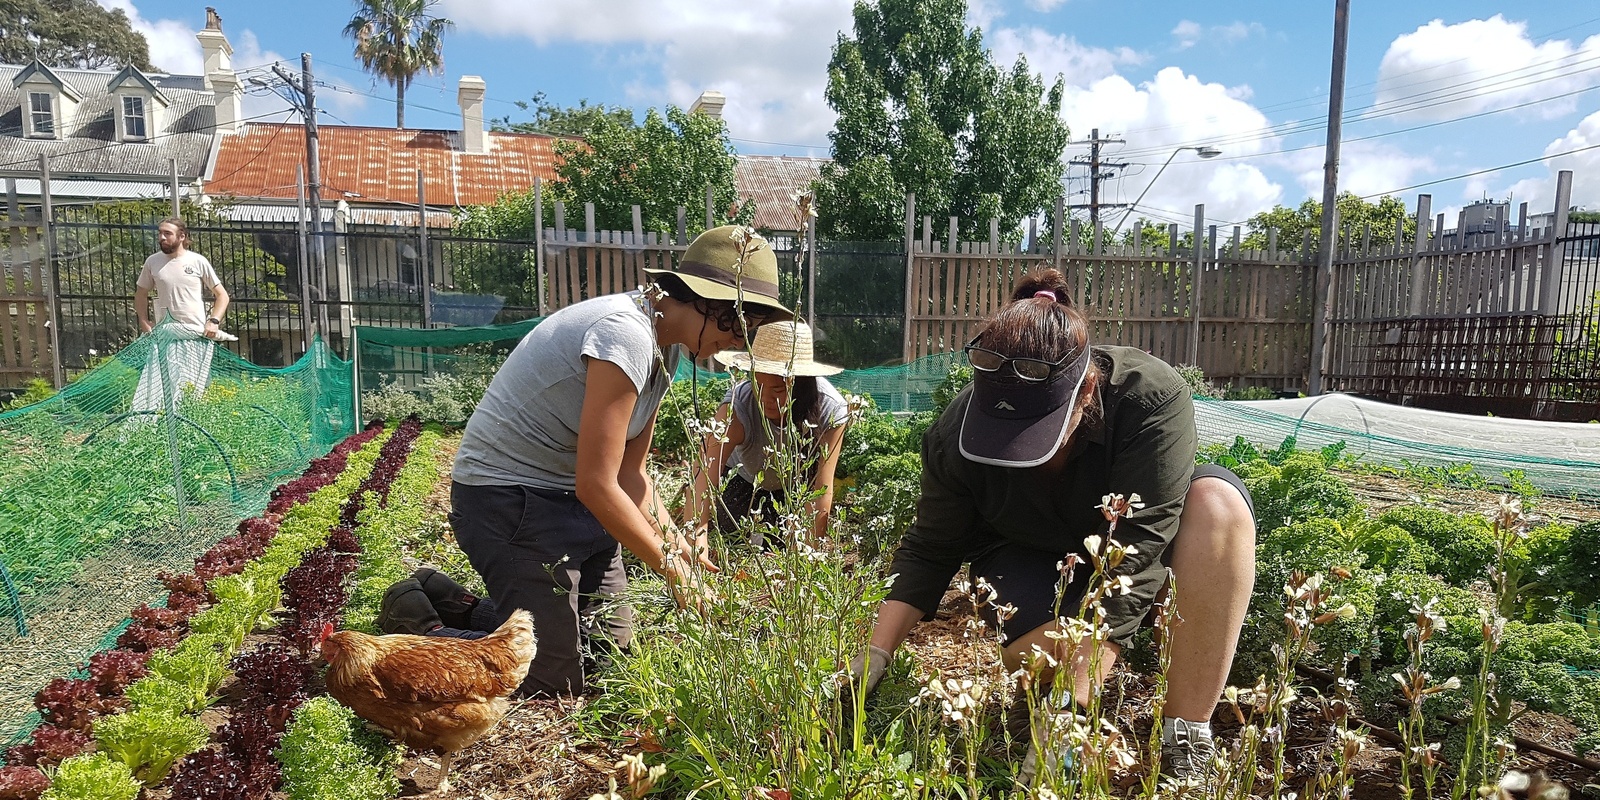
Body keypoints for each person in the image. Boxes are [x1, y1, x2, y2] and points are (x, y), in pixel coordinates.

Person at [849, 268, 1257, 784]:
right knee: (1048, 658)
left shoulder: (1145, 399)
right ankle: (1051, 698)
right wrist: (874, 658)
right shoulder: (955, 431)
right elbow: (930, 549)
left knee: (1218, 504)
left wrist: (1073, 706)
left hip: (1128, 558)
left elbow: (1141, 544)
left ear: (1085, 395)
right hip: (1028, 558)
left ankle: (1184, 735)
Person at [377, 225, 790, 698]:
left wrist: (680, 546)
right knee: (551, 679)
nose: (736, 343)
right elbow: (597, 484)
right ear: (700, 299)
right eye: (734, 327)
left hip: (572, 503)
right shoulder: (625, 335)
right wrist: (673, 572)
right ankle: (419, 627)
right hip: (508, 502)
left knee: (608, 655)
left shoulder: (666, 348)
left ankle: (460, 603)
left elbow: (630, 474)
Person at [685, 321, 851, 547]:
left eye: (777, 390)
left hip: (794, 489)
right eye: (758, 385)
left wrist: (807, 557)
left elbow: (821, 489)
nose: (764, 398)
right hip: (743, 483)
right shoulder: (739, 402)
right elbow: (704, 471)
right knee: (741, 539)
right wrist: (696, 539)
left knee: (783, 543)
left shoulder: (830, 409)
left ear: (799, 385)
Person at [131, 217, 231, 412]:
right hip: (165, 336)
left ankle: (191, 431)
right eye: (160, 233)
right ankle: (156, 431)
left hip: (196, 337)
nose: (162, 237)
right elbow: (141, 294)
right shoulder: (152, 262)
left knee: (193, 391)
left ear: (182, 236)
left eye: (167, 233)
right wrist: (144, 321)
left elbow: (222, 296)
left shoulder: (197, 261)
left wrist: (213, 321)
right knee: (159, 390)